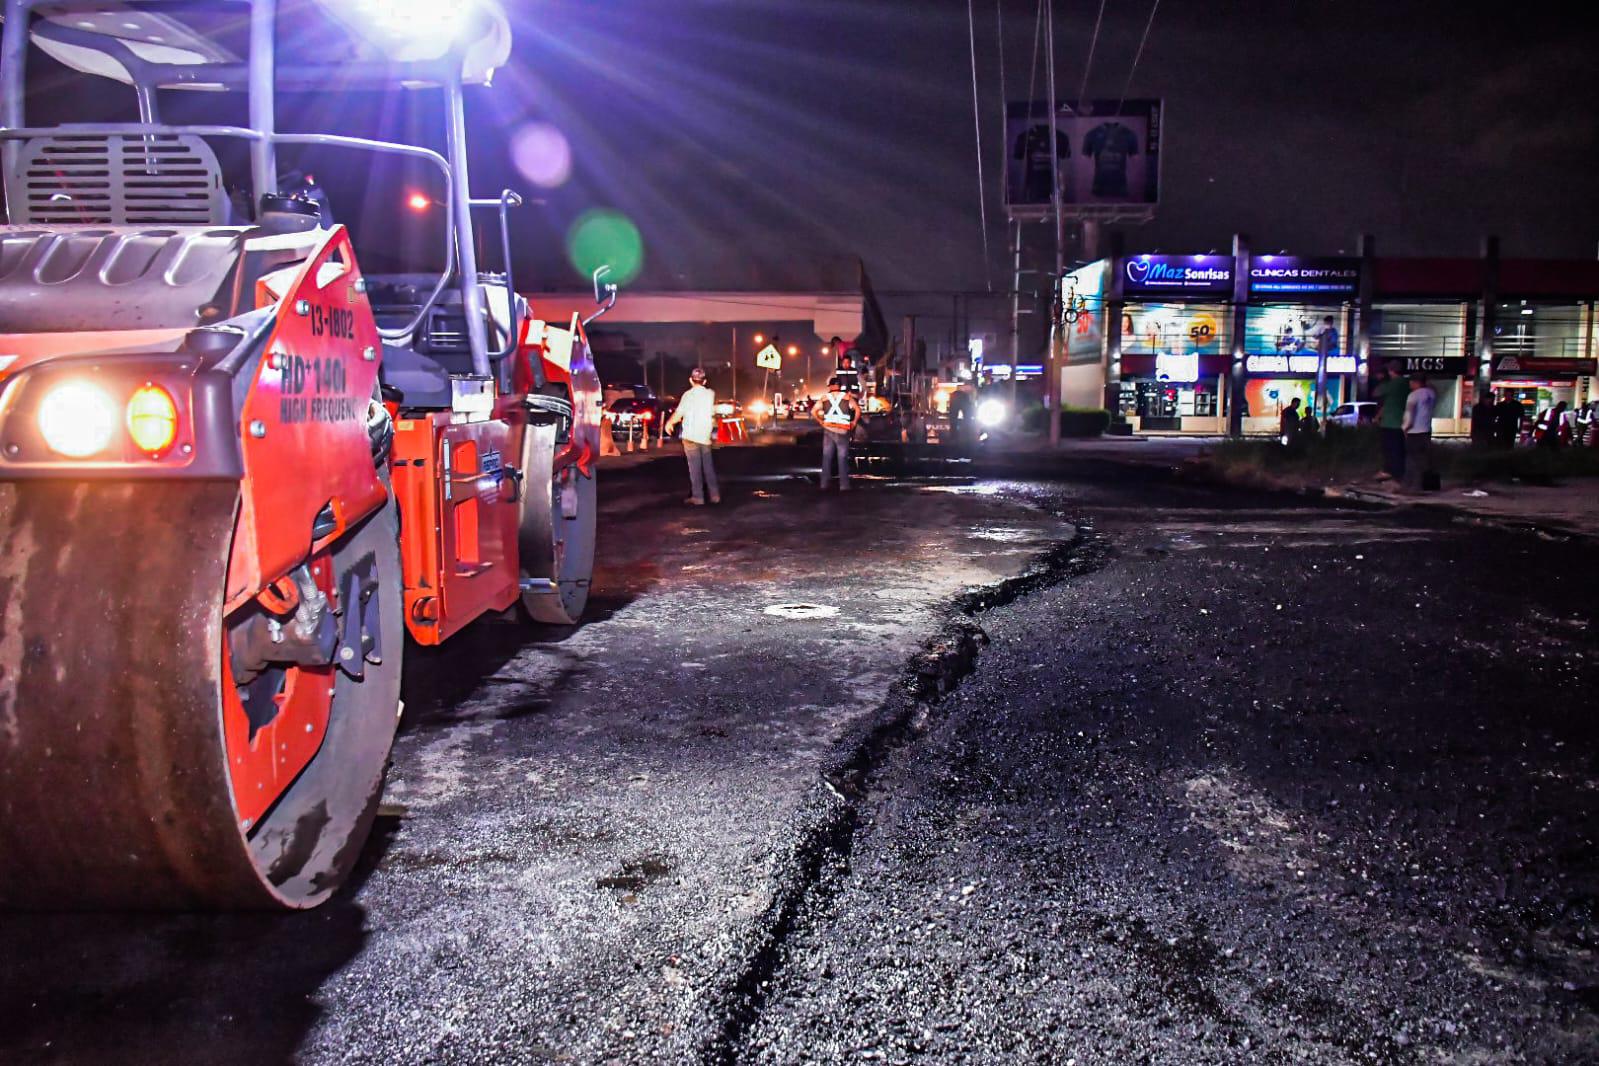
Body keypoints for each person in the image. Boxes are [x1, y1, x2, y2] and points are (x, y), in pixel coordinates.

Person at [663, 367, 720, 506]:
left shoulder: (688, 395)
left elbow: (679, 413)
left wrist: (669, 423)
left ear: (690, 380)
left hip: (691, 436)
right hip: (705, 435)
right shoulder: (710, 394)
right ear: (705, 381)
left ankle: (698, 497)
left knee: (695, 468)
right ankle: (715, 495)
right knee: (708, 467)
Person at [813, 376, 861, 490]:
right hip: (843, 431)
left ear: (831, 386)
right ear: (839, 386)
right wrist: (854, 422)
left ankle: (824, 484)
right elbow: (858, 409)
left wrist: (820, 421)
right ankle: (844, 486)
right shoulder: (847, 397)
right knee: (842, 458)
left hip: (828, 430)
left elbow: (813, 411)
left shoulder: (824, 398)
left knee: (827, 457)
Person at [1401, 373, 1437, 492]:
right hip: (1426, 430)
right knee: (1423, 460)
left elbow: (1410, 414)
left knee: (1412, 459)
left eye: (1411, 381)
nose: (1410, 384)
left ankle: (1412, 486)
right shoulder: (1431, 393)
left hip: (1414, 432)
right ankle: (1422, 485)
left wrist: (1405, 428)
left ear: (1416, 382)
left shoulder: (1413, 396)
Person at [1374, 364, 1409, 481]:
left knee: (1390, 449)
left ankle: (1390, 472)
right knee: (1399, 449)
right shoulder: (1406, 383)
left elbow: (1377, 393)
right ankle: (1398, 473)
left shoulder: (1392, 384)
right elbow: (1388, 403)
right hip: (1402, 421)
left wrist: (1382, 381)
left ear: (1390, 371)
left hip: (1390, 422)